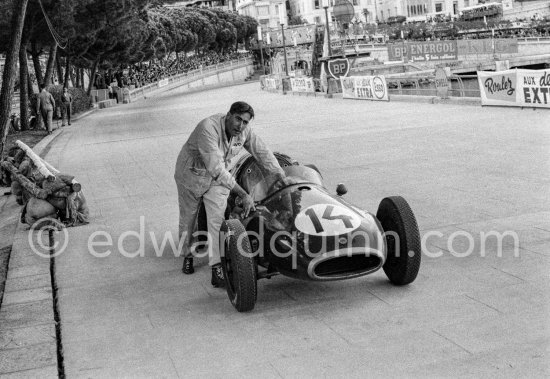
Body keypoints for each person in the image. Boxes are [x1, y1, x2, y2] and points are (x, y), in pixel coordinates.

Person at [174, 101, 287, 288]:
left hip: (218, 180)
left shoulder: (244, 131)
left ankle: (216, 267)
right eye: (237, 119)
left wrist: (281, 177)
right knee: (188, 219)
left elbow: (263, 153)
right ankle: (187, 254)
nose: (240, 126)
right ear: (228, 115)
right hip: (192, 176)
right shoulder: (207, 128)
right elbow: (216, 168)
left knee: (217, 221)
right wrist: (244, 194)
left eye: (245, 122)